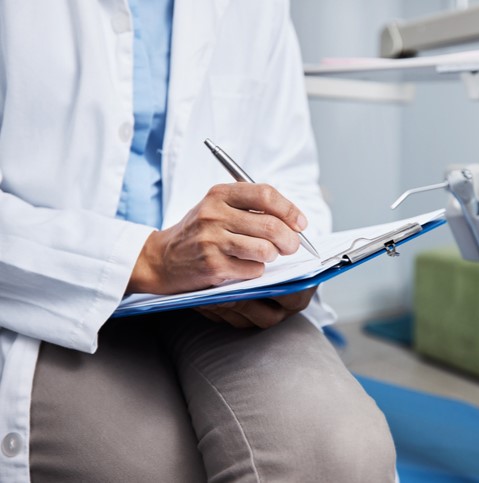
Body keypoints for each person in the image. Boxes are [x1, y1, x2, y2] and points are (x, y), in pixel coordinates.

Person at [0, 1, 397, 481]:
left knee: (339, 453)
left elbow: (288, 168)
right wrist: (145, 259)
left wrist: (289, 263)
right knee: (148, 468)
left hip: (219, 294)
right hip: (48, 290)